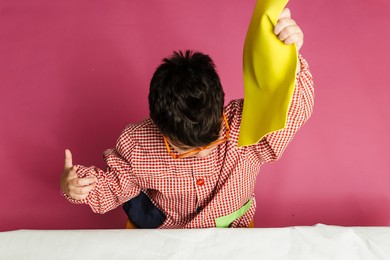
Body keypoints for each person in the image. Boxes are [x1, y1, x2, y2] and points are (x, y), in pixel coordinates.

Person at [60, 8, 314, 228]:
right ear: (160, 129)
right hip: (167, 235)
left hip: (232, 233)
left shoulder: (243, 123)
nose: (202, 153)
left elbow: (292, 110)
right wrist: (77, 187)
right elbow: (113, 187)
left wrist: (291, 59)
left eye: (213, 140)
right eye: (184, 149)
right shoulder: (138, 143)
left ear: (221, 109)